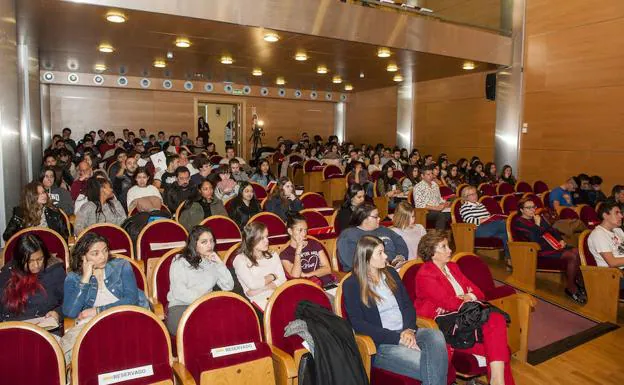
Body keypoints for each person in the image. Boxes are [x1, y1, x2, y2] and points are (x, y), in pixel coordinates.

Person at [342, 235, 448, 385]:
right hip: (382, 344)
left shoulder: (390, 273)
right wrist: (397, 338)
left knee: (436, 336)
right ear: (366, 258)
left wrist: (409, 329)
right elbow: (358, 324)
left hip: (407, 332)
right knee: (432, 364)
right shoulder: (352, 284)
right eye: (380, 253)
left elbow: (407, 305)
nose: (386, 256)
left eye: (384, 251)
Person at [415, 230, 515, 385]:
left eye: (448, 246)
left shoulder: (453, 267)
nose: (449, 250)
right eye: (443, 247)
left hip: (465, 319)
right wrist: (466, 298)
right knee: (498, 344)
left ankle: (497, 381)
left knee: (497, 347)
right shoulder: (425, 274)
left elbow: (479, 292)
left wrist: (469, 297)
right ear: (432, 253)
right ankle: (497, 381)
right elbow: (448, 303)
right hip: (445, 327)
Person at [62, 233, 149, 357]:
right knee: (72, 350)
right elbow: (70, 312)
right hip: (92, 324)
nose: (103, 257)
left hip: (125, 316)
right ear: (83, 256)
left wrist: (99, 311)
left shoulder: (121, 265)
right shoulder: (73, 277)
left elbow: (131, 300)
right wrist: (85, 279)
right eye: (95, 253)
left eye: (105, 251)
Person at [512, 197, 586, 303]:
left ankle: (578, 282)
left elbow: (552, 230)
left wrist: (560, 240)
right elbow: (534, 239)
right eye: (529, 208)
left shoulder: (537, 217)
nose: (533, 210)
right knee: (572, 256)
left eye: (534, 207)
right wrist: (537, 225)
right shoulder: (519, 223)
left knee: (577, 251)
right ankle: (571, 288)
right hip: (537, 251)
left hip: (551, 245)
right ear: (521, 210)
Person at [166, 226, 234, 334]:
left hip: (206, 307)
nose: (209, 245)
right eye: (204, 242)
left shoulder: (212, 261)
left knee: (230, 321)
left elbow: (228, 286)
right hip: (181, 307)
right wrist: (203, 304)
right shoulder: (180, 261)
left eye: (211, 241)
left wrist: (219, 263)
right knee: (205, 328)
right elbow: (180, 293)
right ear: (194, 244)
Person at [0, 234, 65, 330]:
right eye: (30, 261)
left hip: (43, 331)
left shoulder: (55, 271)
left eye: (40, 259)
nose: (36, 265)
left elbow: (68, 303)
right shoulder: (9, 272)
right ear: (20, 260)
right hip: (12, 328)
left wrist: (57, 313)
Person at [337, 203, 409, 271]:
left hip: (393, 267)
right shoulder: (348, 235)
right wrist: (382, 265)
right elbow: (353, 262)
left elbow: (400, 243)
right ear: (364, 218)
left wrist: (400, 257)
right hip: (367, 273)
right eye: (376, 216)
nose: (379, 219)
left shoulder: (383, 229)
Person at [232, 222, 287, 310]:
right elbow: (252, 285)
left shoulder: (273, 255)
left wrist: (260, 289)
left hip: (278, 295)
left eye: (267, 236)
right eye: (261, 238)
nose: (267, 241)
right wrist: (273, 276)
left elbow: (283, 280)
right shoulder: (240, 260)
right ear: (251, 240)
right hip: (256, 304)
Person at [279, 212, 334, 285]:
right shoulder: (285, 254)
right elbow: (296, 276)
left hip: (328, 284)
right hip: (307, 288)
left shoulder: (314, 244)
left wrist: (307, 275)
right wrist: (298, 251)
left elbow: (327, 269)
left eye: (305, 230)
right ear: (290, 231)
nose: (304, 233)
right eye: (300, 230)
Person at [3, 182, 69, 242]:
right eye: (38, 194)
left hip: (50, 246)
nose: (43, 195)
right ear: (31, 197)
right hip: (30, 249)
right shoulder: (20, 213)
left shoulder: (53, 211)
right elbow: (7, 235)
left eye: (43, 192)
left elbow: (64, 233)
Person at [458, 186, 509, 261]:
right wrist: (483, 220)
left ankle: (509, 259)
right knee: (503, 224)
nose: (475, 196)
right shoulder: (464, 207)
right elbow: (469, 221)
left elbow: (488, 216)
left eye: (475, 193)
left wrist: (489, 219)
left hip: (488, 228)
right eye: (472, 194)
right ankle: (516, 230)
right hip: (476, 230)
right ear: (466, 197)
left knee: (505, 235)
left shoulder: (480, 205)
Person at [588, 201, 624, 275]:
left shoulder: (618, 230)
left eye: (620, 213)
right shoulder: (598, 234)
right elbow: (612, 262)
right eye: (616, 213)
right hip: (612, 274)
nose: (621, 216)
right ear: (605, 215)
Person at [412, 165, 451, 230]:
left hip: (438, 208)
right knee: (441, 215)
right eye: (428, 174)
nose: (431, 176)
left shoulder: (435, 185)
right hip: (426, 211)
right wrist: (436, 208)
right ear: (422, 176)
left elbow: (439, 199)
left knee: (453, 212)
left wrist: (444, 203)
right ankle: (438, 238)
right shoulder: (418, 187)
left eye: (432, 173)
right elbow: (419, 205)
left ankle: (447, 235)